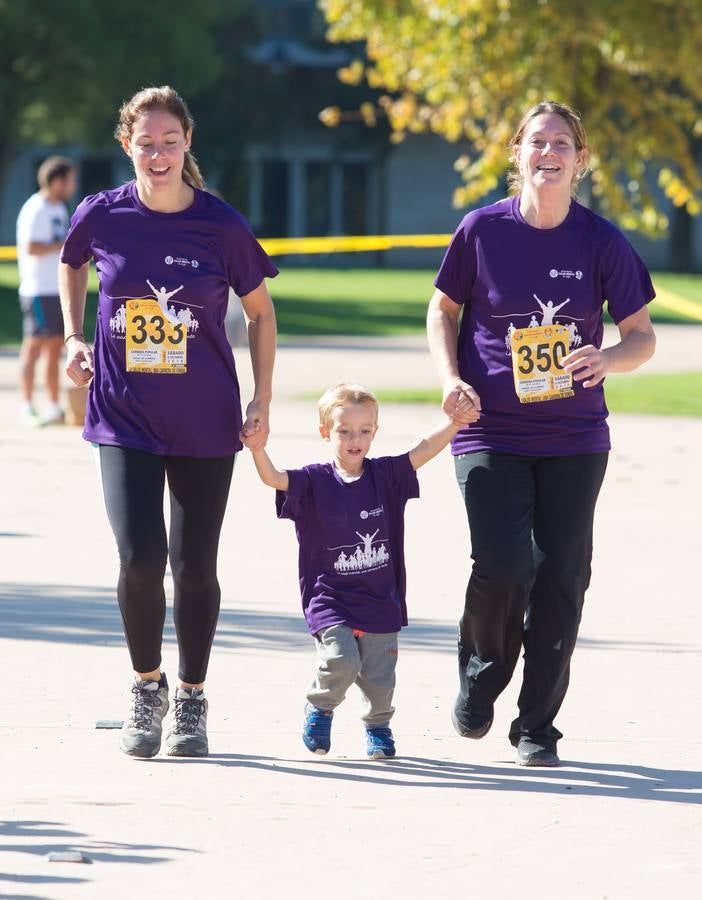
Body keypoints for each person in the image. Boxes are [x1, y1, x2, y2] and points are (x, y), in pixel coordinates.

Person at [427, 100, 656, 768]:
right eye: (537, 142)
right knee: (502, 563)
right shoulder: (481, 232)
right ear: (517, 154)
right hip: (489, 428)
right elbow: (442, 310)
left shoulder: (600, 241)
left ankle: (536, 725)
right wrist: (449, 378)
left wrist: (607, 357)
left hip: (575, 436)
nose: (548, 153)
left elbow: (641, 336)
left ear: (580, 160)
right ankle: (482, 669)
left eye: (562, 143)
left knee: (562, 576)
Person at [59, 86, 278, 759]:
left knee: (194, 566)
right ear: (127, 144)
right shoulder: (102, 215)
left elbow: (263, 313)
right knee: (139, 558)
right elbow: (71, 265)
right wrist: (73, 336)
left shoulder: (221, 226)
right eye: (146, 143)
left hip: (206, 421)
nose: (158, 155)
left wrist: (262, 399)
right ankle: (146, 685)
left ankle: (190, 696)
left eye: (169, 143)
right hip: (123, 414)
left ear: (188, 145)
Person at [246, 384, 476, 759]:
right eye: (344, 431)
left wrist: (454, 423)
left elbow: (423, 451)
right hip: (330, 598)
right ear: (325, 432)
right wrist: (258, 448)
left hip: (379, 598)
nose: (356, 439)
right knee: (342, 660)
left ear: (375, 431)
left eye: (365, 431)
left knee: (380, 676)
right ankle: (319, 709)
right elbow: (274, 478)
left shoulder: (385, 476)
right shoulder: (313, 481)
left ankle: (378, 728)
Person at [16, 156, 77, 425]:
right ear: (57, 181)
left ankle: (53, 406)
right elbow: (32, 247)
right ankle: (27, 405)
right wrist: (62, 244)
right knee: (34, 347)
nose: (73, 186)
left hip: (56, 290)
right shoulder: (36, 208)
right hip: (37, 289)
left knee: (55, 348)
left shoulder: (60, 209)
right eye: (70, 180)